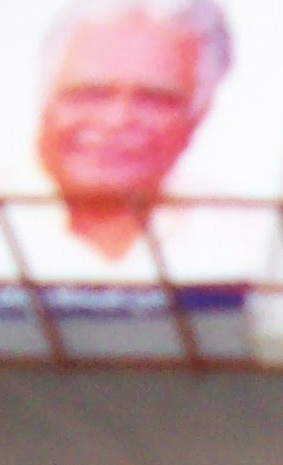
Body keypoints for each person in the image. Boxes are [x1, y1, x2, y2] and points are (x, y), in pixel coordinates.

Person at [29, 0, 232, 271]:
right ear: (45, 100)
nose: (116, 121)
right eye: (91, 94)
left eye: (153, 100)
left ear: (199, 115)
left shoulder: (241, 239)